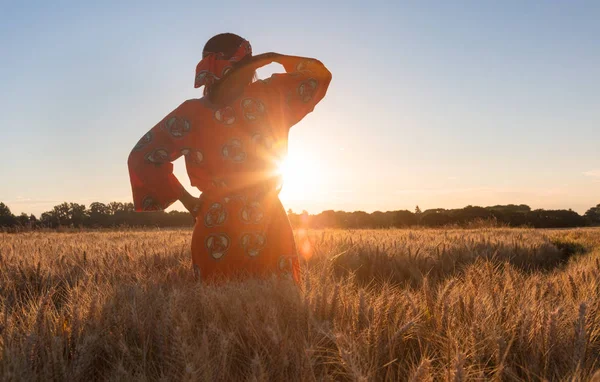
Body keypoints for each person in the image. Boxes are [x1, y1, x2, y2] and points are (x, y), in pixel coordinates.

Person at [127, 33, 332, 283]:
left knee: (216, 313)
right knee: (279, 310)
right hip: (267, 221)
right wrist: (274, 58)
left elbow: (141, 158)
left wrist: (189, 202)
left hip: (215, 226)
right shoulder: (269, 96)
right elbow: (318, 75)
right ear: (247, 67)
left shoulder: (190, 114)